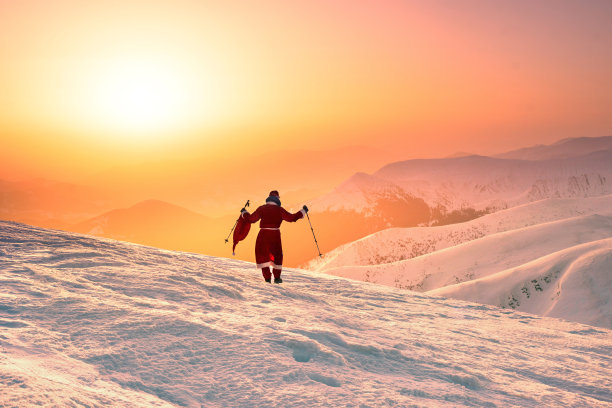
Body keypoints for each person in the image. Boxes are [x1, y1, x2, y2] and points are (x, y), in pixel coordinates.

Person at [240, 190, 308, 283]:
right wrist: (303, 211)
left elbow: (251, 219)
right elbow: (291, 218)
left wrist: (244, 212)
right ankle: (277, 278)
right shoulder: (280, 210)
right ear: (277, 199)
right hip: (275, 235)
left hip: (263, 235)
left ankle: (267, 278)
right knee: (277, 255)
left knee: (263, 255)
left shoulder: (262, 208)